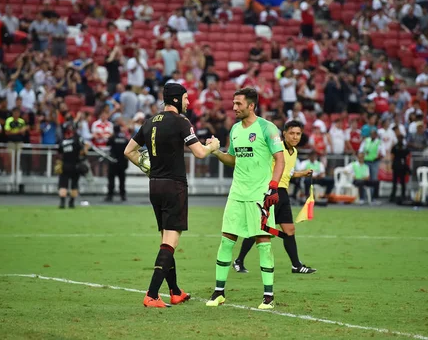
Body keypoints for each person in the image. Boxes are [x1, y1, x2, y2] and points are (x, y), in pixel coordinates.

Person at [123, 83, 220, 308]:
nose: (189, 102)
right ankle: (152, 294)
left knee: (166, 239)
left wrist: (145, 165)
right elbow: (199, 153)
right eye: (186, 98)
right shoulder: (181, 122)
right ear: (176, 99)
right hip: (174, 186)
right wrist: (213, 146)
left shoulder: (149, 122)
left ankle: (175, 291)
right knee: (170, 242)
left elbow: (128, 151)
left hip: (154, 186)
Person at [204, 87, 285, 310]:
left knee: (263, 243)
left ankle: (268, 296)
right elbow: (233, 159)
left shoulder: (268, 128)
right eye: (233, 103)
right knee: (227, 239)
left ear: (251, 105)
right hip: (237, 193)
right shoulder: (235, 129)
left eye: (239, 104)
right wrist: (216, 152)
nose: (234, 107)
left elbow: (280, 160)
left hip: (260, 194)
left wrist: (273, 187)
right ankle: (219, 292)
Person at [232, 120, 317, 276]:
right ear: (284, 134)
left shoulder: (295, 152)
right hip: (270, 192)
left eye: (298, 134)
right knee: (259, 229)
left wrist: (302, 173)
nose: (295, 137)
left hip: (283, 193)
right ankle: (239, 260)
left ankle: (296, 265)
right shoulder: (275, 149)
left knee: (289, 229)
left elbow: (287, 173)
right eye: (292, 133)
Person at [57, 121, 88, 209]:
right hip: (76, 165)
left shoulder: (62, 141)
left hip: (65, 164)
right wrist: (86, 148)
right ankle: (71, 203)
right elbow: (82, 152)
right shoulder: (77, 139)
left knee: (63, 185)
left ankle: (62, 203)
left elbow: (59, 152)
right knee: (74, 185)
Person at [105, 123, 129, 202]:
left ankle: (110, 195)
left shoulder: (112, 137)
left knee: (111, 180)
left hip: (113, 161)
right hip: (122, 162)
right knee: (122, 180)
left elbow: (107, 143)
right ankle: (123, 195)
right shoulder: (125, 138)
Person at [390, 134, 410, 202]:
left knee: (402, 182)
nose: (400, 140)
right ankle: (393, 196)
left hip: (402, 165)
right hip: (397, 165)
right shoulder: (395, 147)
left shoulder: (404, 147)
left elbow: (407, 156)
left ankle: (403, 196)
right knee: (395, 182)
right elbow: (392, 156)